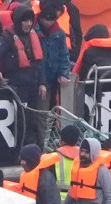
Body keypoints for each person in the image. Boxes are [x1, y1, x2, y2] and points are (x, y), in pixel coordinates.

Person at [0, 5, 45, 146]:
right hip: (17, 85)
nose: (28, 24)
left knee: (32, 119)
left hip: (33, 84)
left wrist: (42, 83)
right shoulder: (6, 37)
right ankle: (22, 148)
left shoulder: (33, 35)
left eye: (30, 21)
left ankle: (32, 148)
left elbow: (39, 62)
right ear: (18, 21)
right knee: (21, 119)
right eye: (25, 21)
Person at [34, 1, 70, 148]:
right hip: (39, 81)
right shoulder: (33, 32)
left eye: (51, 19)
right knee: (41, 115)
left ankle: (50, 140)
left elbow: (64, 55)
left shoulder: (59, 34)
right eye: (46, 19)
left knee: (52, 112)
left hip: (54, 80)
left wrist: (64, 74)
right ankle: (43, 144)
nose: (48, 22)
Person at [53, 124, 80, 202]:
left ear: (61, 139)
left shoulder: (52, 157)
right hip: (78, 200)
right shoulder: (83, 157)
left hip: (58, 199)